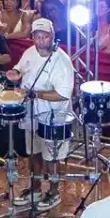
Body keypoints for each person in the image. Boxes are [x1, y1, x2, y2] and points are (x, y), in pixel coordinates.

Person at [12, 18, 77, 205]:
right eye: (37, 36)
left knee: (52, 158)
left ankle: (54, 192)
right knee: (34, 152)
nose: (41, 40)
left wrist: (36, 94)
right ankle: (35, 188)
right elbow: (20, 68)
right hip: (31, 113)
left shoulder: (62, 61)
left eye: (45, 36)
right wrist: (15, 73)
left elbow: (63, 94)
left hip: (53, 116)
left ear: (52, 36)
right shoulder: (29, 52)